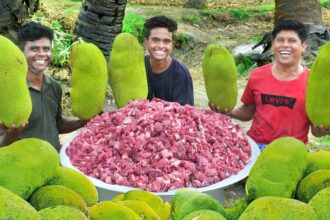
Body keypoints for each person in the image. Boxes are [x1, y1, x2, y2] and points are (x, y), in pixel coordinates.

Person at [210, 19, 330, 151]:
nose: (285, 45)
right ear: (273, 45)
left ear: (304, 46)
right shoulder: (257, 75)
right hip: (255, 146)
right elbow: (248, 111)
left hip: (292, 150)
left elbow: (316, 131)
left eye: (292, 41)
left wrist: (324, 130)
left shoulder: (313, 81)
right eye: (280, 40)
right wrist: (228, 111)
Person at [0, 22, 86, 150]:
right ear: (21, 52)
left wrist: (82, 122)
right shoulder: (7, 92)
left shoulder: (54, 87)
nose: (42, 54)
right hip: (23, 166)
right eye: (34, 49)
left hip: (54, 161)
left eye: (46, 49)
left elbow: (56, 124)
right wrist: (10, 136)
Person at [144, 15, 194, 106]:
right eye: (155, 40)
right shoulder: (139, 67)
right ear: (146, 42)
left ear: (172, 44)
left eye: (166, 41)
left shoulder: (181, 74)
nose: (161, 46)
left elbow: (185, 113)